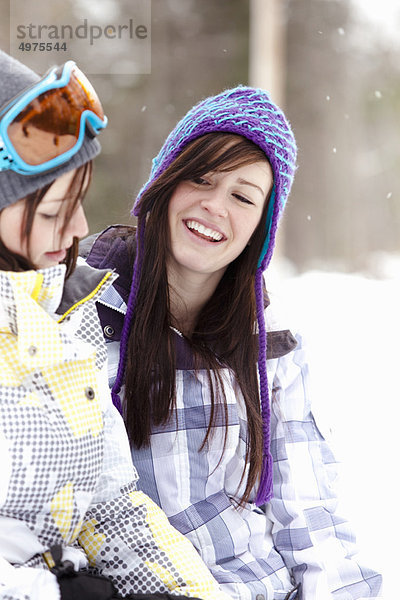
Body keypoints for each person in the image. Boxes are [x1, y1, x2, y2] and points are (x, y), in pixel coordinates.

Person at [83, 88, 383, 600]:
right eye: (202, 178)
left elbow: (309, 517)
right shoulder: (79, 312)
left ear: (260, 227)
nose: (214, 206)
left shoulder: (273, 343)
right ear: (165, 182)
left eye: (243, 196)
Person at [0, 51, 234, 600]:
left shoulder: (67, 315)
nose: (80, 225)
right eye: (56, 208)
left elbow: (110, 505)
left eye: (79, 201)